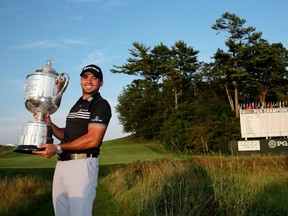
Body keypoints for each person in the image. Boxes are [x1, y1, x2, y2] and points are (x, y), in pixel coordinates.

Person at [33, 64, 112, 216]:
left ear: (101, 83)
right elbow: (67, 136)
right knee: (60, 212)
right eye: (85, 77)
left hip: (82, 165)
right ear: (81, 80)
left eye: (94, 78)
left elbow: (93, 140)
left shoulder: (101, 105)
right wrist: (50, 124)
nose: (89, 81)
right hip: (62, 165)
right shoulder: (77, 104)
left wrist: (57, 148)